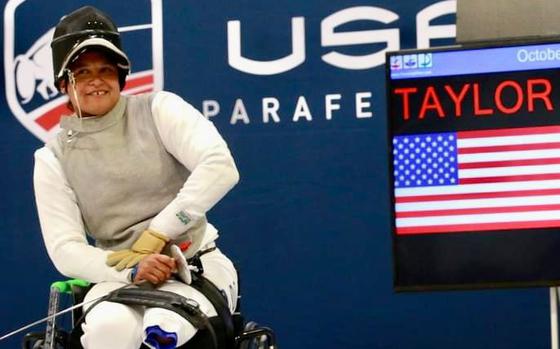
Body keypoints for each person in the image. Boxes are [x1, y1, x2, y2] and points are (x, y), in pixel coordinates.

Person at [33, 6, 239, 349]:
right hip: (119, 276)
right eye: (82, 72)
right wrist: (131, 269)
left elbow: (220, 167)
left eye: (105, 70)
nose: (96, 80)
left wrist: (160, 232)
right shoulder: (52, 156)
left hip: (193, 266)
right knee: (107, 330)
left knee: (166, 328)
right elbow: (65, 249)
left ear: (120, 74)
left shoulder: (161, 110)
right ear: (63, 83)